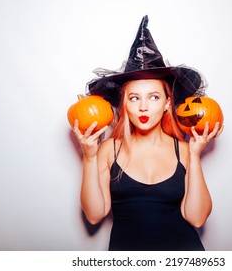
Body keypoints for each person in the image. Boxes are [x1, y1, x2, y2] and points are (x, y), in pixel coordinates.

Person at [72, 16, 223, 251]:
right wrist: (89, 157)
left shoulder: (182, 150)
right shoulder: (108, 150)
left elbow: (197, 218)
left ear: (166, 103)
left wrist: (194, 155)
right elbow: (94, 215)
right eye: (134, 98)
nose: (143, 107)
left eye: (154, 97)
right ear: (124, 105)